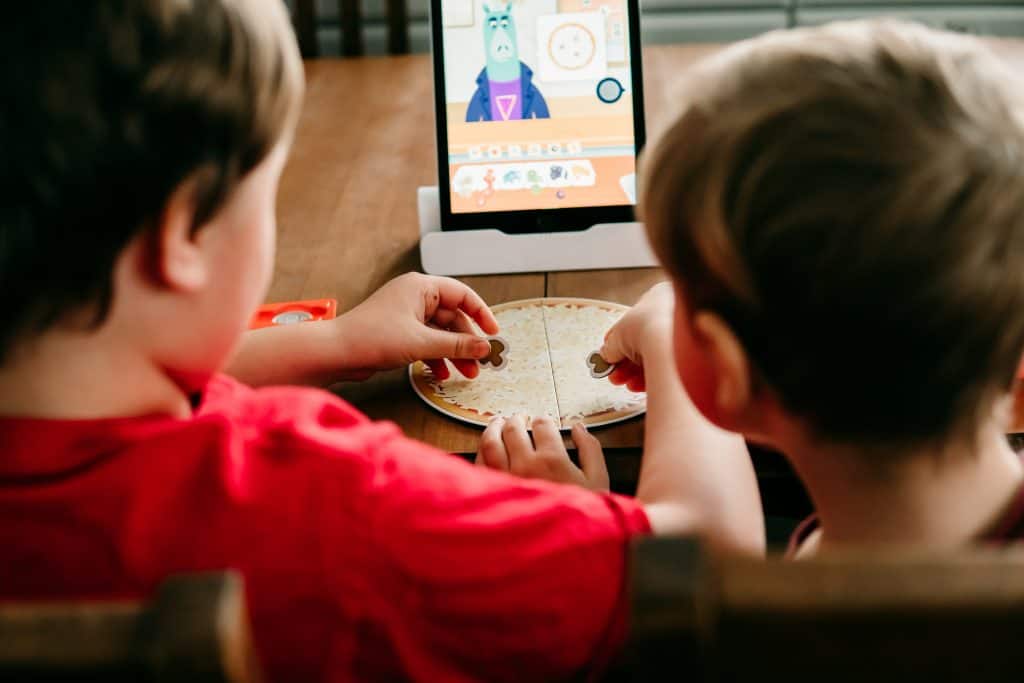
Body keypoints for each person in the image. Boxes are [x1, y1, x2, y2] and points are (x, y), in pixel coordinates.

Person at [0, 1, 761, 680]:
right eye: (267, 198)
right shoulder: (342, 505)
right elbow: (712, 570)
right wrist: (670, 331)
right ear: (181, 236)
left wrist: (338, 340)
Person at [507, 20, 1024, 557]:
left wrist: (594, 530)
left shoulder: (753, 633)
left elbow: (694, 559)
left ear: (730, 369)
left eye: (679, 287)